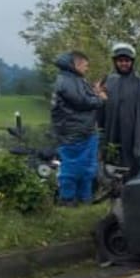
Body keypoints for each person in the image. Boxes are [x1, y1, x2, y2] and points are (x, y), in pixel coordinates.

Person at [50, 51, 107, 205]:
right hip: (73, 134)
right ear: (76, 63)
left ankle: (84, 199)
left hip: (85, 132)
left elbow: (84, 98)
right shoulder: (67, 81)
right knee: (72, 168)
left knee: (87, 168)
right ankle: (68, 200)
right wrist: (100, 99)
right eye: (85, 65)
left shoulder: (75, 80)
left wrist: (95, 92)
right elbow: (81, 102)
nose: (87, 68)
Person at [101, 43, 140, 169]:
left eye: (127, 61)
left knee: (130, 168)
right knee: (109, 166)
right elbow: (100, 108)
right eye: (120, 61)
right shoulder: (108, 81)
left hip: (132, 136)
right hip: (111, 134)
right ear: (115, 62)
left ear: (132, 62)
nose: (123, 63)